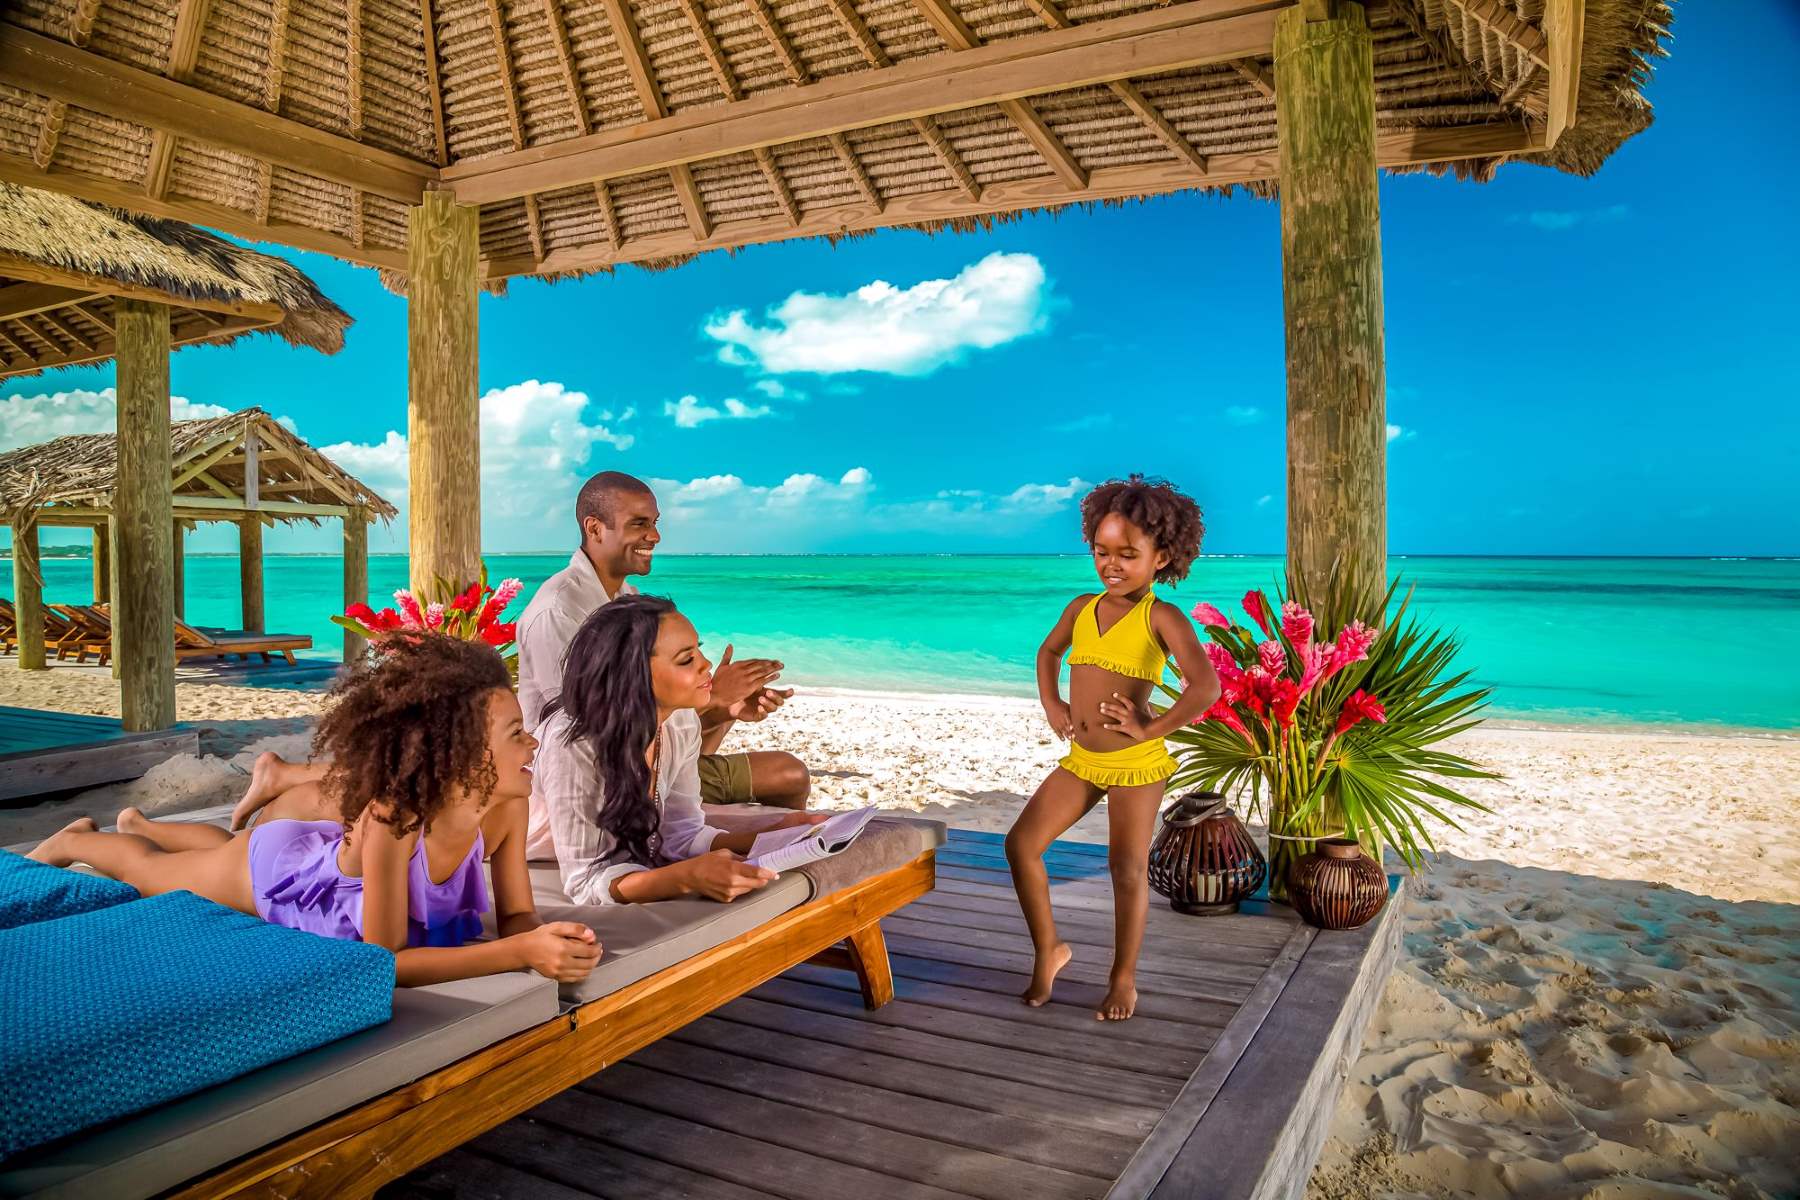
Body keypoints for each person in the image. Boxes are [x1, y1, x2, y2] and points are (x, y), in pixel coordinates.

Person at [29, 636, 601, 988]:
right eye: (516, 734)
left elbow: (519, 914)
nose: (534, 745)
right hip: (281, 874)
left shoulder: (505, 809)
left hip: (316, 850)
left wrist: (548, 936)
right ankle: (81, 839)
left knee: (219, 851)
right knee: (149, 874)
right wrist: (517, 953)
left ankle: (144, 823)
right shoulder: (394, 821)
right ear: (456, 755)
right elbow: (388, 961)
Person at [1005, 475, 1220, 1021]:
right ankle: (1048, 949)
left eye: (1129, 554)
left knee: (1126, 870)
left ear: (1162, 556)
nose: (1112, 565)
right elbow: (1048, 653)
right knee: (1021, 845)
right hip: (1084, 759)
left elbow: (1206, 688)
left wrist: (1152, 729)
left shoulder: (1162, 618)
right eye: (1102, 552)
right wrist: (1053, 705)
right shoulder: (1082, 608)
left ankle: (1123, 978)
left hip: (1135, 763)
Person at [517, 471, 813, 809]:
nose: (655, 536)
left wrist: (724, 708)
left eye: (655, 523)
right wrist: (712, 695)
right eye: (639, 524)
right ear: (595, 528)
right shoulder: (559, 611)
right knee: (787, 777)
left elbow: (657, 727)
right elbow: (590, 734)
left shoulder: (625, 598)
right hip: (591, 791)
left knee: (789, 774)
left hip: (643, 766)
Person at [530, 593, 829, 905]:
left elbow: (683, 835)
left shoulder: (679, 722)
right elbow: (585, 881)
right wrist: (686, 877)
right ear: (634, 675)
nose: (708, 665)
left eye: (699, 650)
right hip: (537, 852)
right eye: (687, 659)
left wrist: (777, 836)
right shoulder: (575, 743)